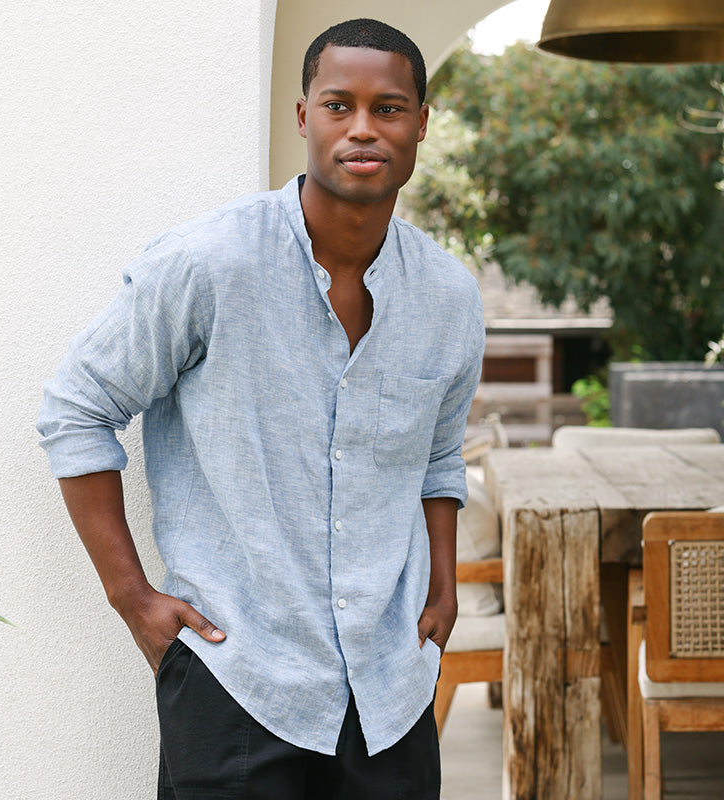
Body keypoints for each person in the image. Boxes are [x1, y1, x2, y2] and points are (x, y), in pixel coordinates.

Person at [37, 17, 484, 800]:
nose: (362, 128)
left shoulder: (448, 297)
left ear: (420, 123)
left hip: (390, 691)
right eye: (339, 104)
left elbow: (440, 455)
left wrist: (442, 583)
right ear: (304, 116)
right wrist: (133, 599)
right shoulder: (211, 263)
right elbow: (78, 408)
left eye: (388, 108)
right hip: (238, 683)